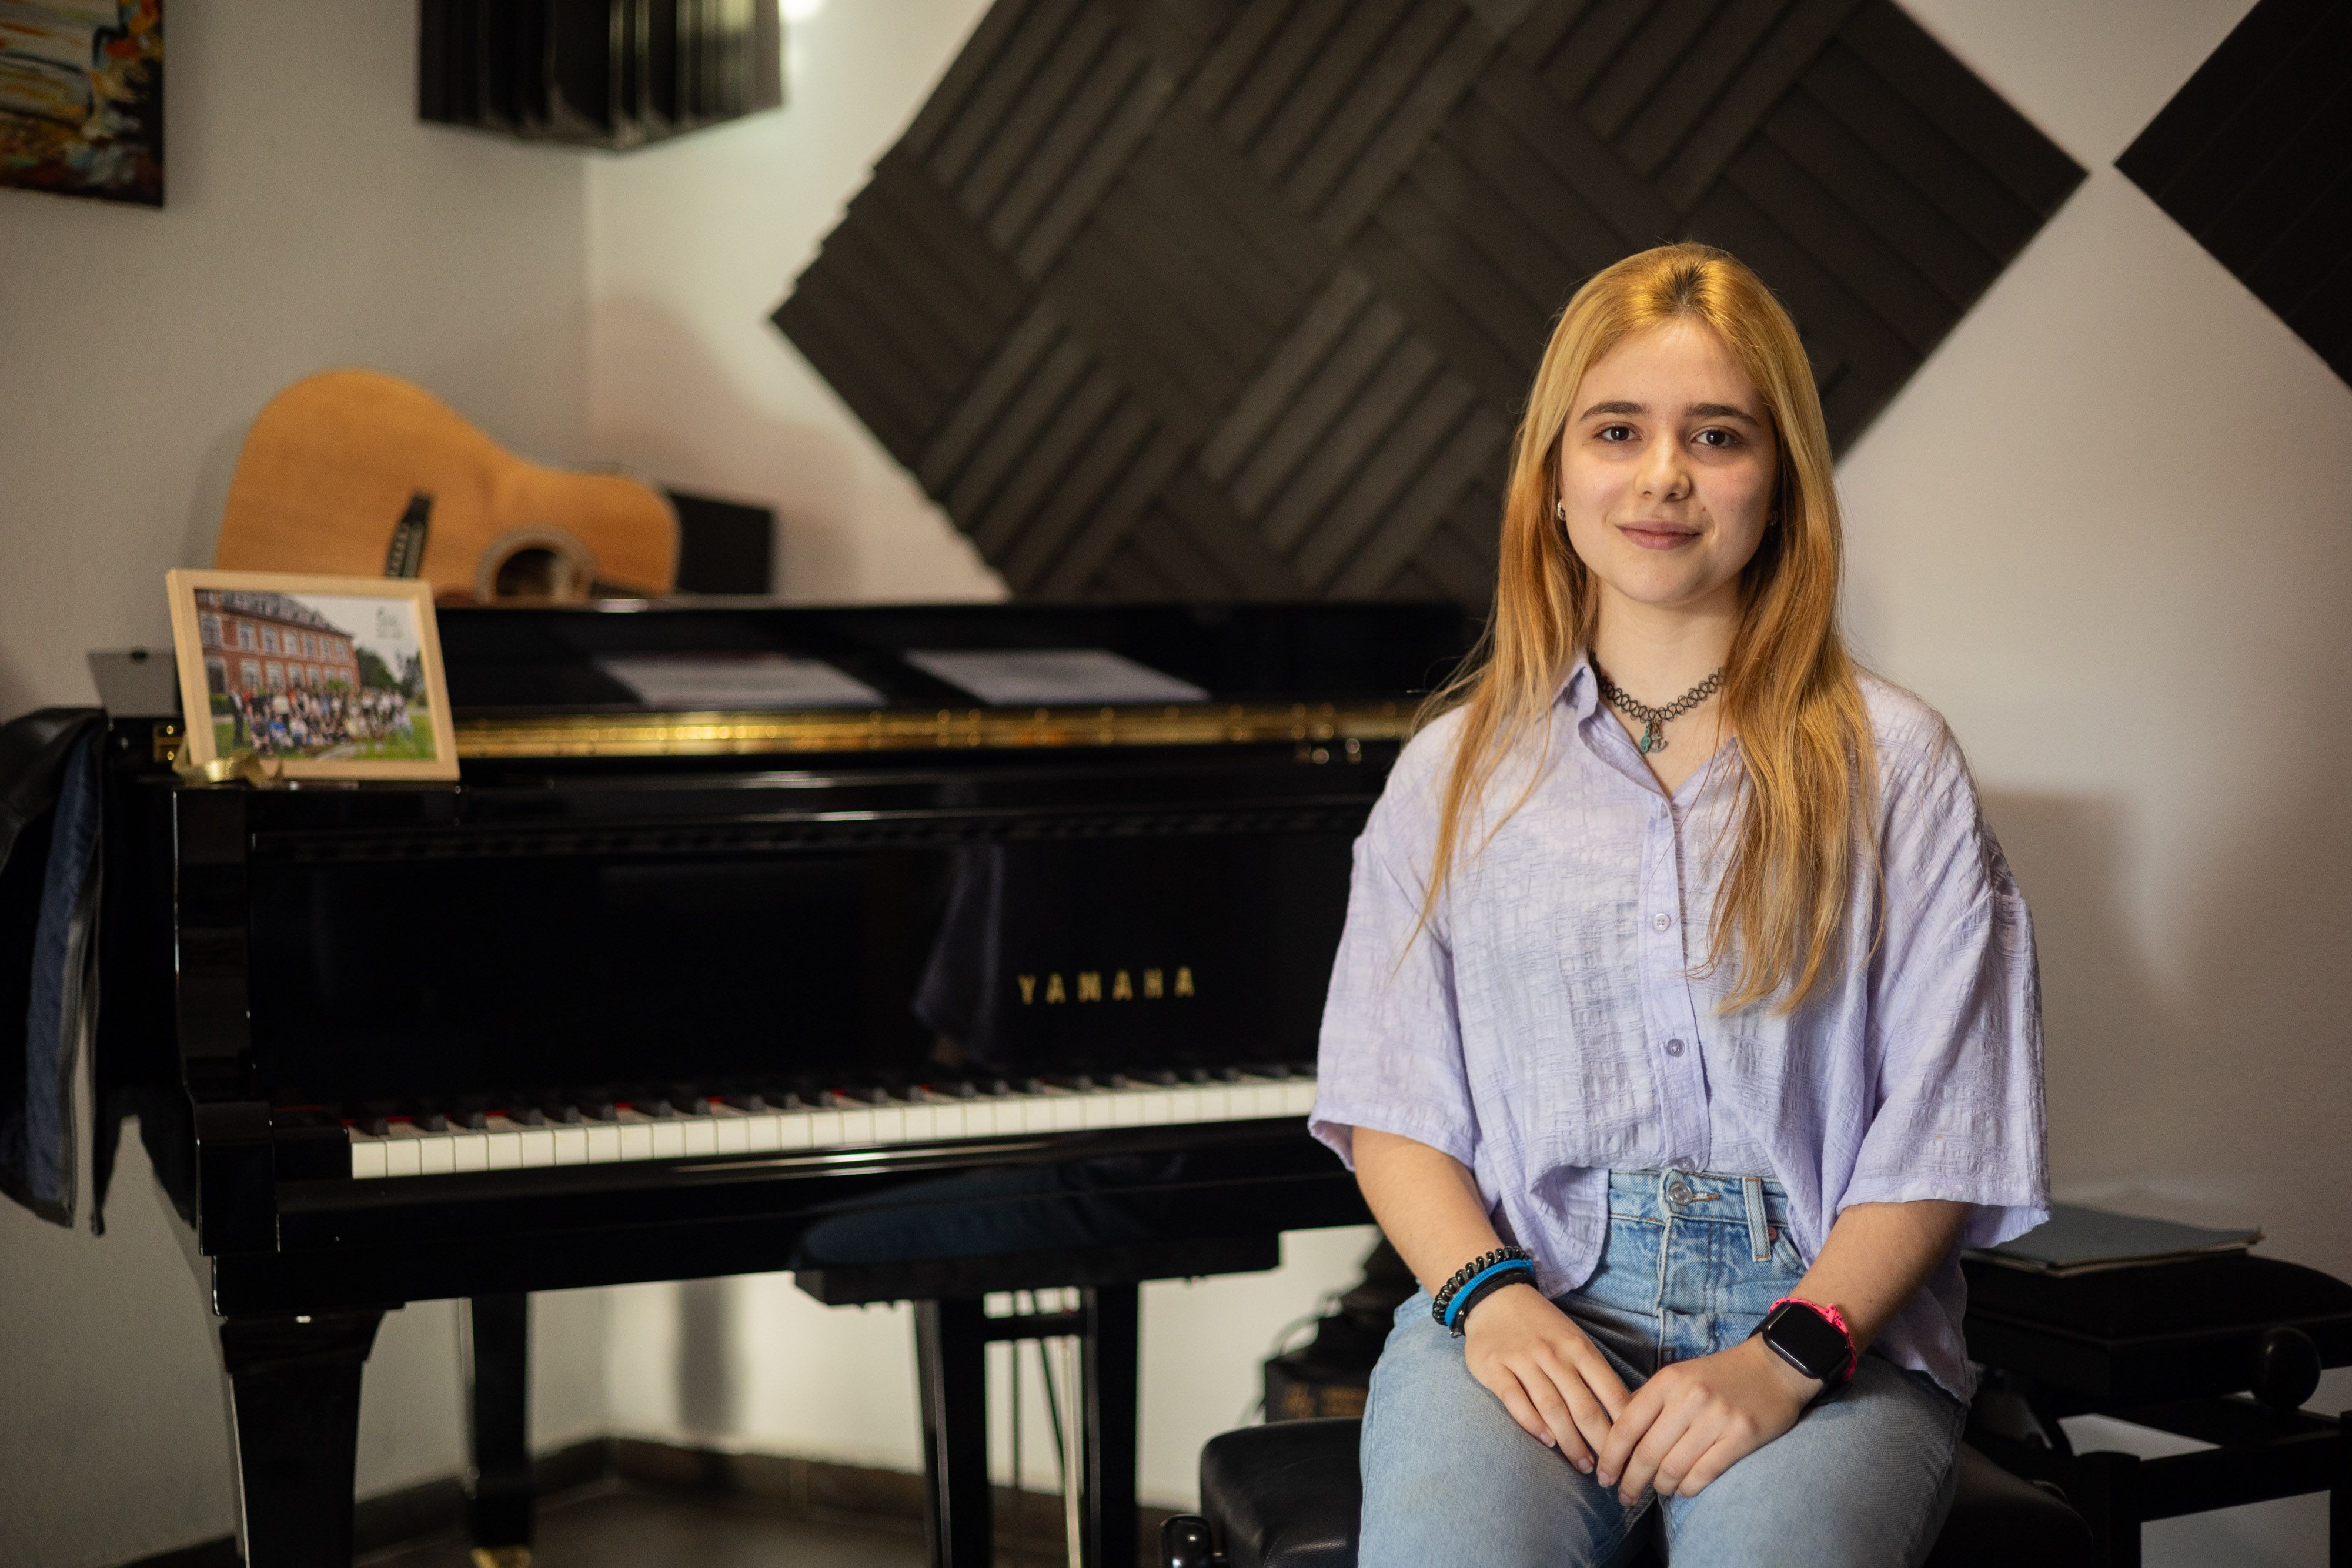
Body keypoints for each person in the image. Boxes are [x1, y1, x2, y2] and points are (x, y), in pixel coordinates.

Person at [1311, 243, 2046, 1568]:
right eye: (1615, 430)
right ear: (1550, 479)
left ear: (1777, 484)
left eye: (1714, 435)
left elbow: (1946, 1125)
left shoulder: (1897, 761)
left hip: (1824, 1315)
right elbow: (1387, 1098)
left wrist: (1790, 1352)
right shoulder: (1452, 772)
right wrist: (1488, 1302)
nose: (1661, 475)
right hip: (1529, 1294)